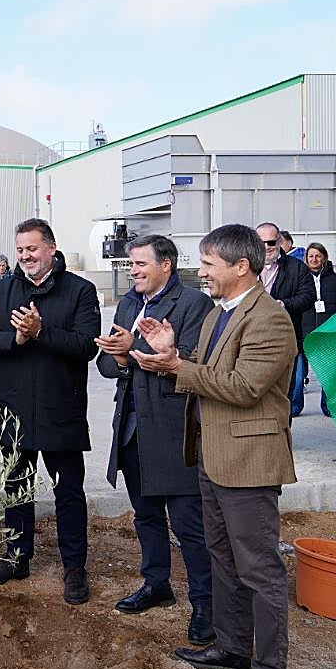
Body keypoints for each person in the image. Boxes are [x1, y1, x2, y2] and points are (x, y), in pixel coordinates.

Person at [129, 223, 296, 669]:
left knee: (259, 569)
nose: (199, 273)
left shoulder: (270, 319)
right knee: (222, 559)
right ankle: (232, 647)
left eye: (208, 265)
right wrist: (172, 351)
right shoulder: (219, 315)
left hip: (248, 463)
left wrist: (174, 367)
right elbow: (205, 369)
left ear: (240, 266)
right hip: (212, 456)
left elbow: (244, 387)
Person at [0, 218, 100, 605]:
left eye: (32, 248)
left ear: (51, 247)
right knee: (16, 490)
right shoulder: (4, 289)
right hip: (15, 412)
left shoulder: (80, 290)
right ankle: (16, 557)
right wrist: (16, 337)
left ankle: (74, 567)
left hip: (61, 410)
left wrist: (42, 331)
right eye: (20, 250)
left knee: (69, 493)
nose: (26, 256)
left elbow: (86, 346)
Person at [95, 235, 214, 644]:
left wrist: (135, 350)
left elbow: (195, 364)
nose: (134, 271)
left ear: (166, 265)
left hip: (172, 430)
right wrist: (119, 356)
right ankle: (157, 583)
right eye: (131, 264)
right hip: (130, 429)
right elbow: (106, 366)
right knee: (145, 515)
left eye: (142, 264)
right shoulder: (128, 303)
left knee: (188, 524)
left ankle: (205, 604)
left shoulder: (194, 306)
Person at [255, 223, 315, 417]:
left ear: (280, 241)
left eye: (271, 242)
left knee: (288, 389)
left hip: (287, 338)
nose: (266, 247)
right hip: (253, 338)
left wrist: (284, 304)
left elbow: (308, 296)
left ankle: (283, 434)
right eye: (260, 242)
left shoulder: (297, 268)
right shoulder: (246, 266)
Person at [300, 243, 336, 417]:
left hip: (329, 333)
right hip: (304, 332)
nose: (314, 259)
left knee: (328, 373)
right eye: (310, 256)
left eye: (317, 256)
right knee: (298, 374)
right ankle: (294, 406)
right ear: (306, 258)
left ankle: (328, 406)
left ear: (324, 257)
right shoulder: (300, 279)